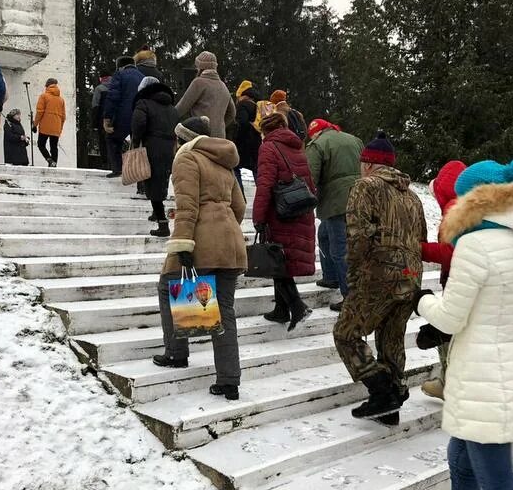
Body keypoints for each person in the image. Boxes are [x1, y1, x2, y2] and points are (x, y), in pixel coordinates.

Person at [414, 155, 513, 490]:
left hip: (483, 382)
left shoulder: (476, 246)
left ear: (476, 199)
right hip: (508, 369)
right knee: (460, 459)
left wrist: (421, 301)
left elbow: (451, 318)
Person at [332, 132, 426, 423]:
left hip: (378, 274)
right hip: (411, 275)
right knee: (391, 338)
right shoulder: (412, 195)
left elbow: (358, 235)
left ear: (369, 164)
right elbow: (422, 237)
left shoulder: (365, 186)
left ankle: (381, 390)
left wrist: (354, 277)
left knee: (346, 333)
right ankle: (392, 403)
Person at [152, 116, 246, 401]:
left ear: (183, 139)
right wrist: (223, 226)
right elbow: (240, 207)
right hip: (230, 242)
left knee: (167, 285)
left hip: (201, 240)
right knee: (224, 310)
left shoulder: (187, 157)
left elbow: (187, 206)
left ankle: (176, 352)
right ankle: (229, 381)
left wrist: (182, 245)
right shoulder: (224, 161)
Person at [252, 112, 317, 332]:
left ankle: (297, 306)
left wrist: (258, 217)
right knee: (281, 260)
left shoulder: (268, 147)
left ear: (265, 131)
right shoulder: (297, 145)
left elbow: (264, 185)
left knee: (277, 261)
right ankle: (281, 309)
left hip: (280, 213)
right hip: (299, 209)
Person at [416, 160, 468, 400]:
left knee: (448, 330)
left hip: (459, 280)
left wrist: (421, 249)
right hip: (469, 280)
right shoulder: (470, 206)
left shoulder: (454, 210)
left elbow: (451, 252)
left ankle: (450, 383)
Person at [305, 119, 364, 312]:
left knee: (340, 249)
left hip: (336, 201)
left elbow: (310, 176)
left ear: (316, 133)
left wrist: (306, 199)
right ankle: (331, 277)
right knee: (323, 234)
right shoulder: (354, 140)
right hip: (360, 197)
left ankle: (350, 297)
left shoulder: (318, 145)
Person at [131, 77, 179, 238]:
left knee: (152, 185)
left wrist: (135, 142)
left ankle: (162, 223)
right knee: (161, 180)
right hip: (170, 148)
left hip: (152, 145)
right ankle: (155, 213)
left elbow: (138, 123)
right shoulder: (172, 108)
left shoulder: (143, 103)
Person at [175, 51, 236, 139]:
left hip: (200, 135)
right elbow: (232, 113)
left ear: (200, 67)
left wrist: (167, 118)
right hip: (220, 136)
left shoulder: (199, 82)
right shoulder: (223, 86)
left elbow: (181, 108)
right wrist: (219, 126)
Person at [103, 56, 144, 177]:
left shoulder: (119, 75)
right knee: (136, 142)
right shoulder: (142, 76)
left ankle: (118, 169)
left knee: (113, 139)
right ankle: (138, 170)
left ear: (120, 66)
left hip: (123, 115)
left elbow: (113, 97)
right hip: (140, 114)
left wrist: (107, 117)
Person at [233, 80, 262, 189]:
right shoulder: (258, 106)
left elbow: (242, 123)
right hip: (257, 142)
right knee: (256, 170)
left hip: (244, 143)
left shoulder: (242, 105)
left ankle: (240, 196)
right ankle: (264, 196)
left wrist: (236, 138)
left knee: (235, 167)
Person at [33, 78, 66, 167]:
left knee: (41, 144)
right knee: (54, 147)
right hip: (56, 128)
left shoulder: (43, 96)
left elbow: (40, 112)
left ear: (47, 85)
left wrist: (35, 125)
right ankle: (54, 164)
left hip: (45, 127)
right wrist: (60, 129)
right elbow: (63, 117)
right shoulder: (61, 100)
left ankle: (49, 159)